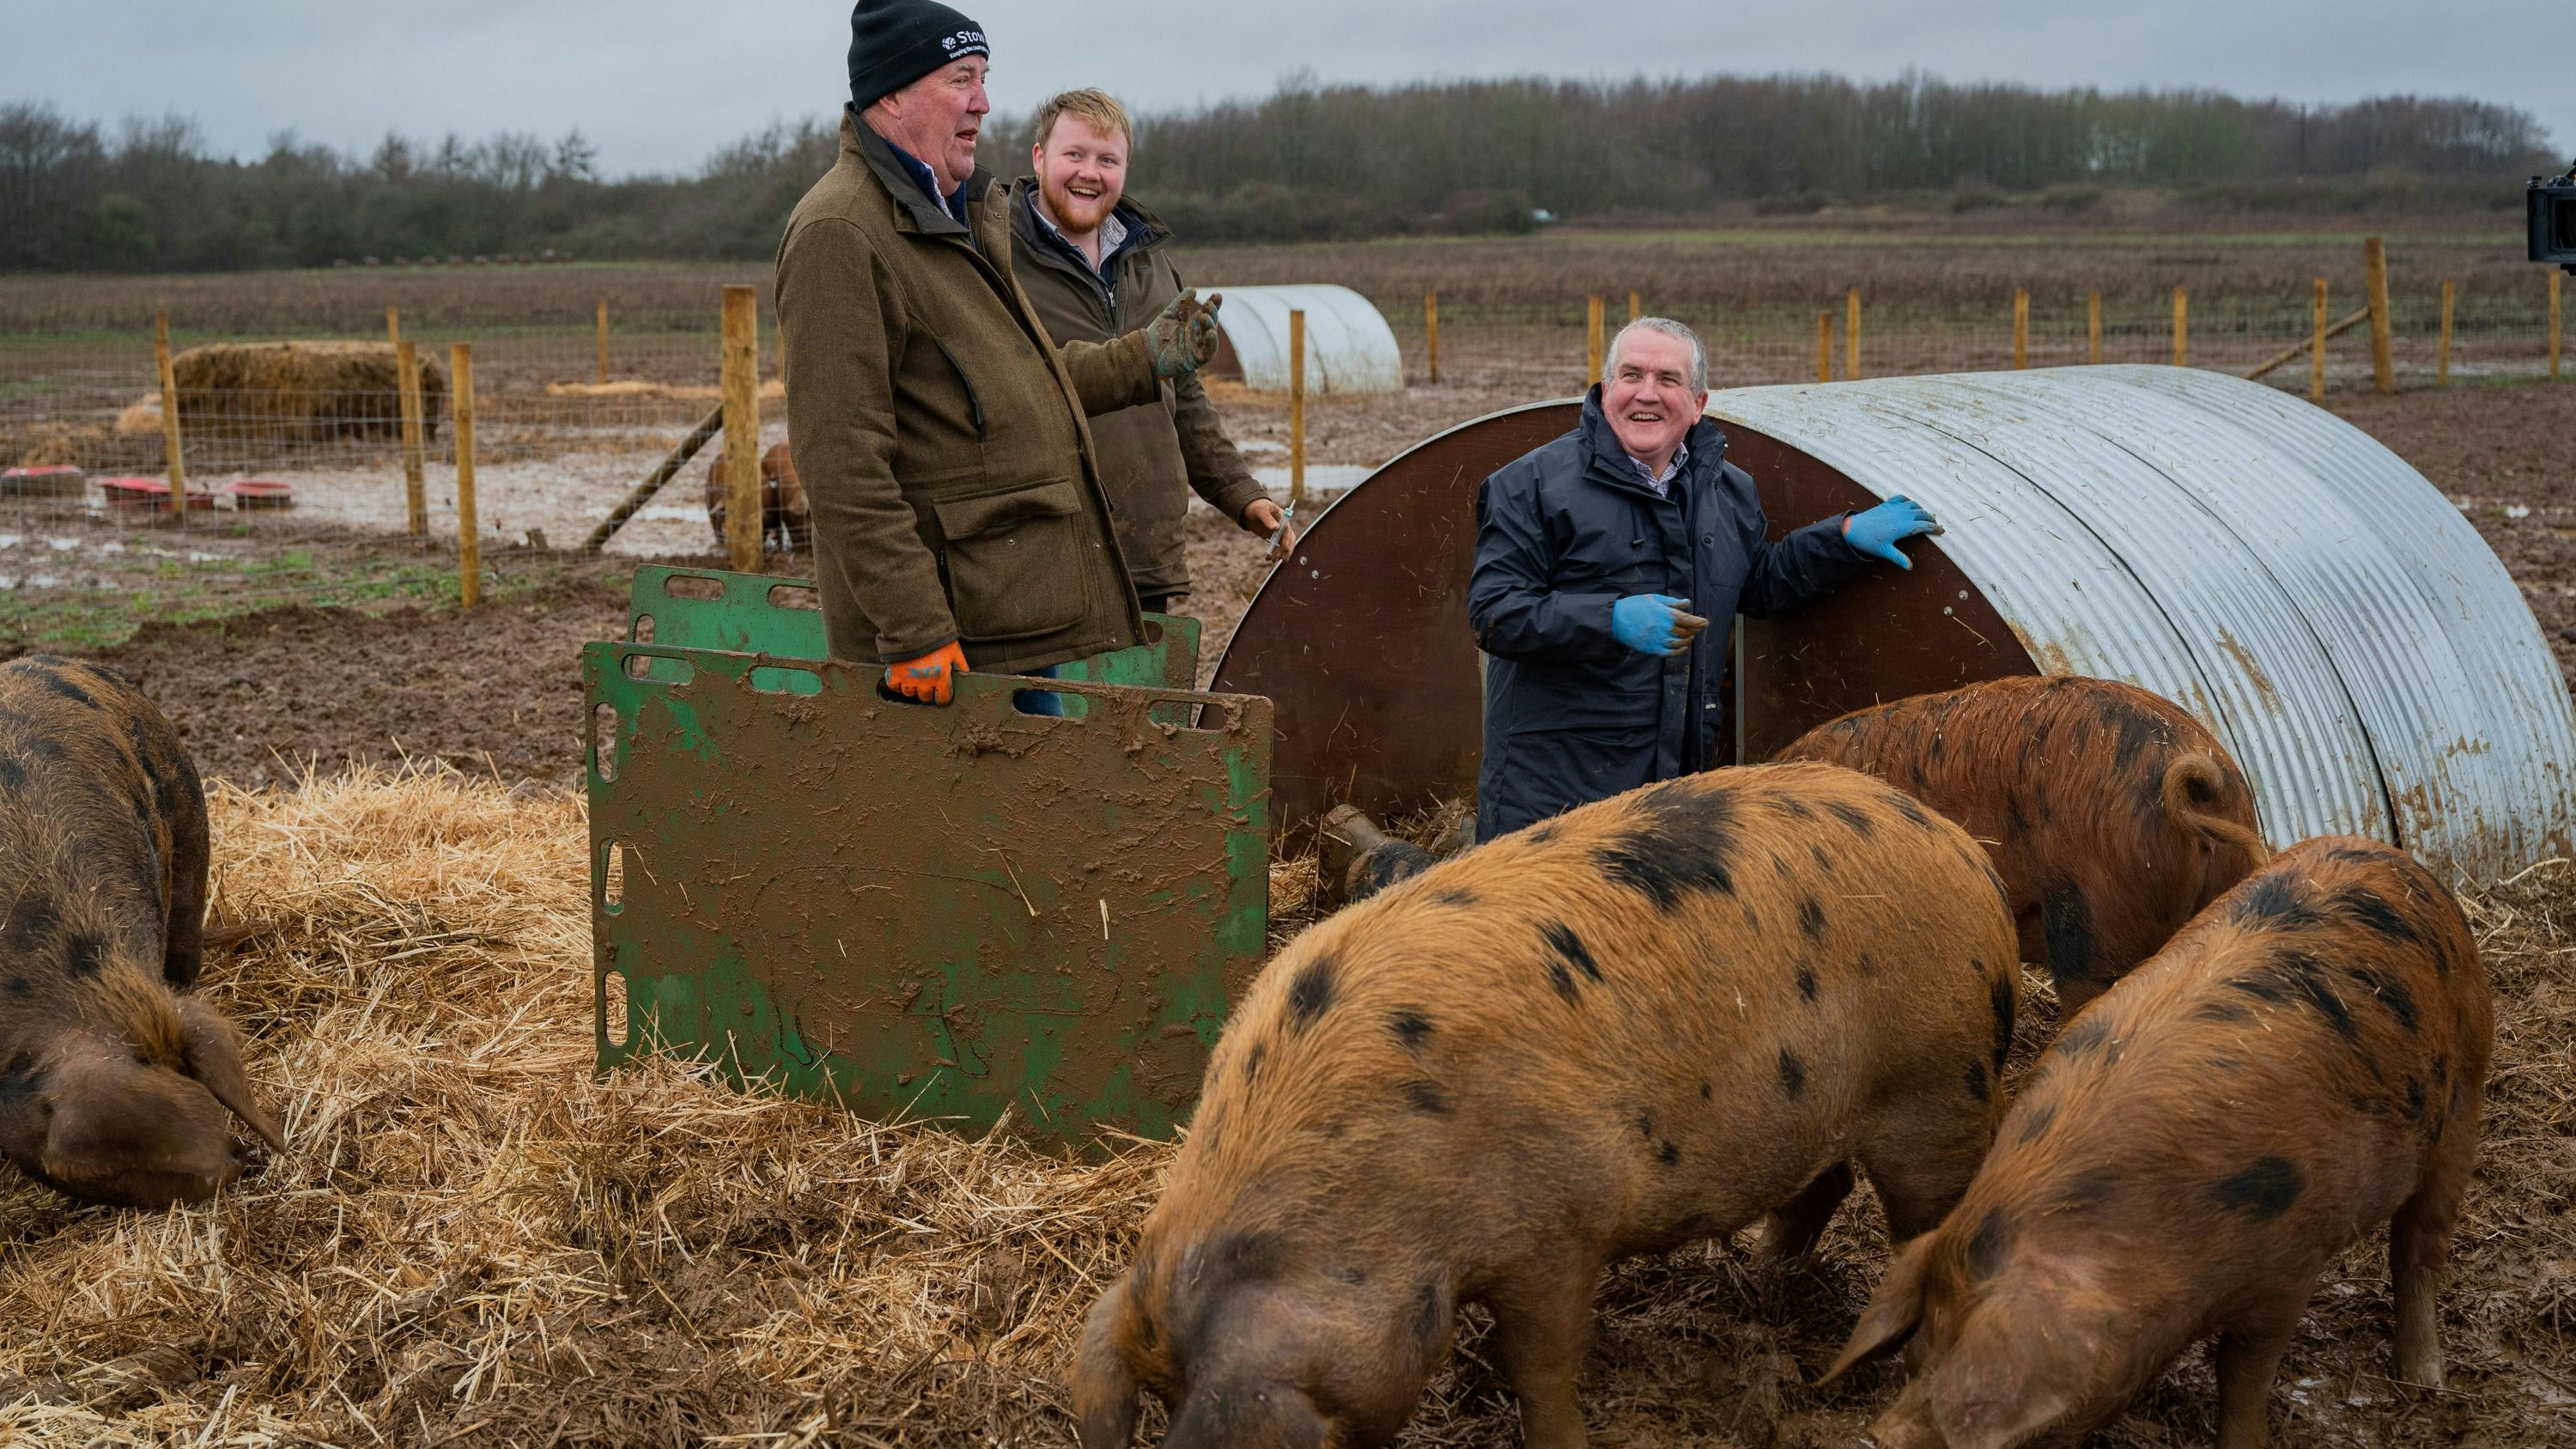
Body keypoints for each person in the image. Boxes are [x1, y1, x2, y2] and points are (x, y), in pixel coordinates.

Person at [775, 0, 1224, 707]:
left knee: (1034, 810)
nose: (983, 102)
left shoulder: (955, 214)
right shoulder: (842, 231)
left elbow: (1027, 379)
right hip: (941, 650)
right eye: (961, 79)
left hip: (1003, 618)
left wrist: (1145, 356)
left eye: (983, 78)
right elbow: (840, 460)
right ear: (892, 93)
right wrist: (914, 627)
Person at [1467, 316, 1938, 841]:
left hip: (1674, 777)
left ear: (1698, 404)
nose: (1647, 394)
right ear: (1605, 391)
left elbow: (1755, 583)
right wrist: (1610, 619)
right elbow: (1495, 611)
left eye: (1668, 380)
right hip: (1553, 791)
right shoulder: (1530, 485)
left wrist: (1843, 538)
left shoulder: (1727, 490)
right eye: (1631, 375)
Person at [1007, 88, 1295, 615]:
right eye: (1074, 154)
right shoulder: (996, 257)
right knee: (1050, 700)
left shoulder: (1148, 261)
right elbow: (1007, 387)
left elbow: (1183, 394)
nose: (1089, 173)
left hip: (1144, 558)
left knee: (1140, 700)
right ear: (1039, 157)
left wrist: (1241, 494)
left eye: (1107, 160)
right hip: (1039, 557)